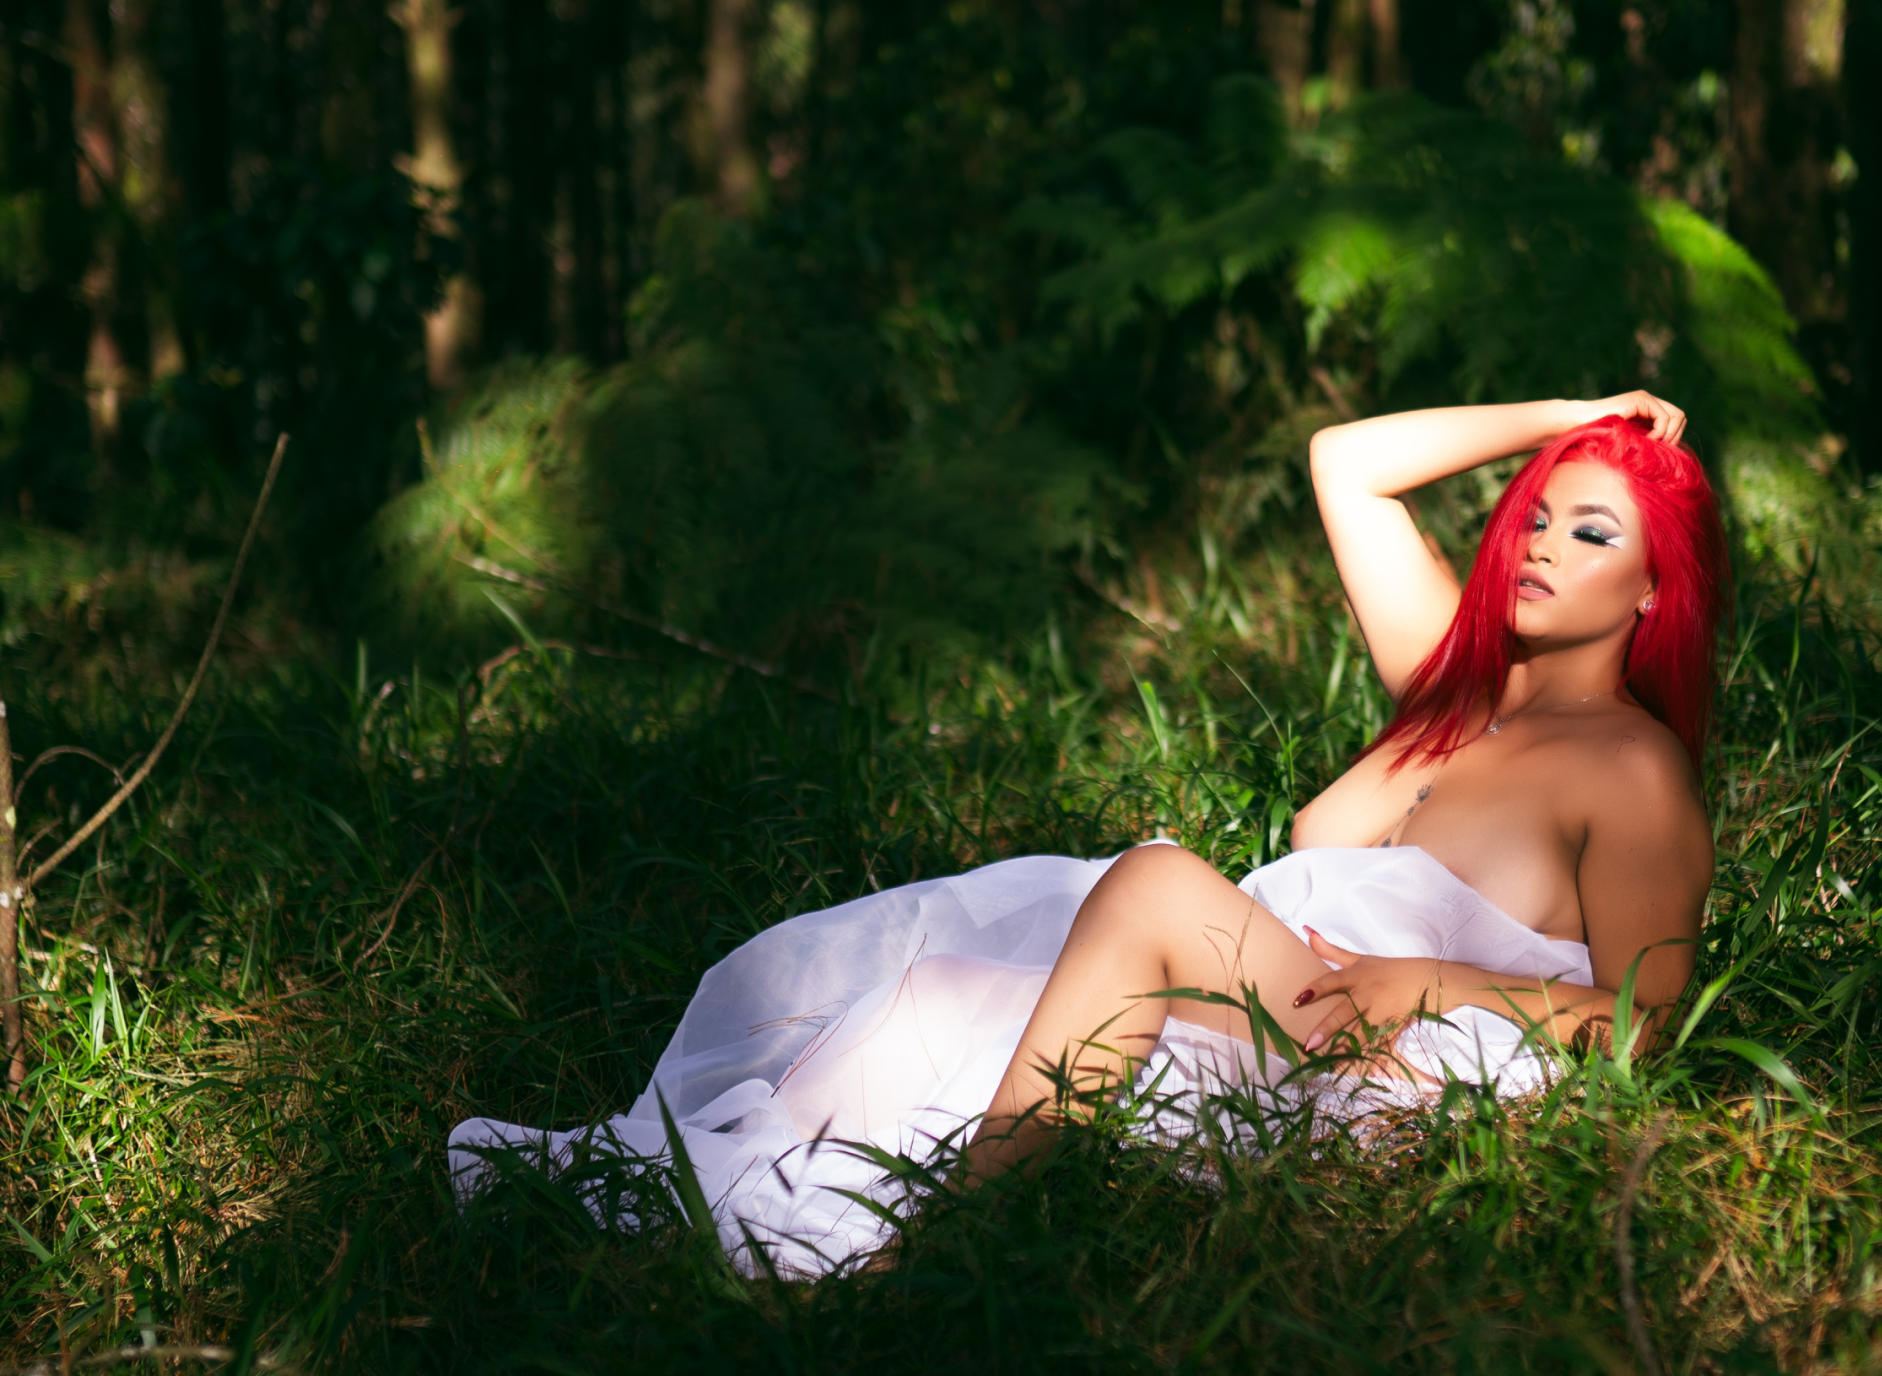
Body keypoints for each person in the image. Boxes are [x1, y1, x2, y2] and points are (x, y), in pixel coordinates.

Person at [449, 391, 1726, 1277]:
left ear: (1655, 585)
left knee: (1158, 882)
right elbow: (1346, 460)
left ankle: (944, 1257)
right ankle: (651, 1202)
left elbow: (1651, 1024)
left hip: (1392, 1057)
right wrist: (1571, 420)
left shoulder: (1633, 768)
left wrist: (1427, 982)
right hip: (1273, 1006)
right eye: (1537, 517)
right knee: (929, 998)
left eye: (1592, 532)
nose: (1542, 546)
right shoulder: (1457, 694)